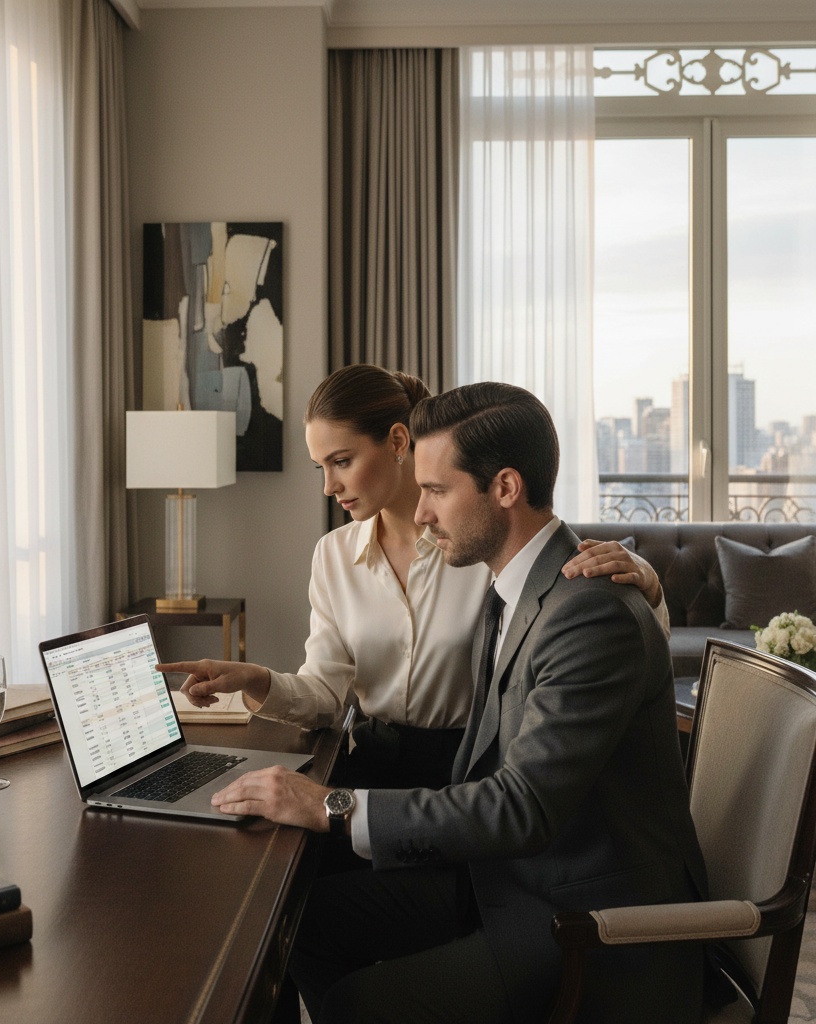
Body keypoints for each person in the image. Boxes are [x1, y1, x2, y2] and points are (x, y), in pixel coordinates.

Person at [206, 382, 707, 1024]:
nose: (421, 513)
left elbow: (521, 806)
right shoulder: (511, 592)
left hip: (574, 920)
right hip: (500, 872)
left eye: (437, 492)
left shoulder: (585, 608)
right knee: (298, 921)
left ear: (503, 488)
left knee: (359, 1002)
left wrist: (329, 804)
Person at [160, 364, 669, 791]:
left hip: (471, 772)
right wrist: (256, 680)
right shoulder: (334, 555)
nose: (328, 486)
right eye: (320, 466)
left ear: (398, 440)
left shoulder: (485, 541)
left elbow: (591, 633)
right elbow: (325, 695)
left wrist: (647, 584)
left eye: (341, 461)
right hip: (368, 765)